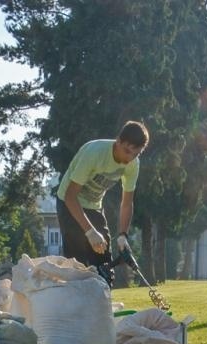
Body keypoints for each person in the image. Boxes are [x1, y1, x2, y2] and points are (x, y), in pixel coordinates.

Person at [56, 121, 149, 284]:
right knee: (76, 266)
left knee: (104, 267)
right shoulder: (94, 153)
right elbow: (71, 196)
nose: (130, 158)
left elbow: (127, 203)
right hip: (69, 203)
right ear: (118, 141)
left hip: (94, 205)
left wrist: (122, 235)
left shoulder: (133, 164)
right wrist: (90, 232)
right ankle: (75, 306)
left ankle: (100, 306)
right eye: (127, 151)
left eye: (136, 154)